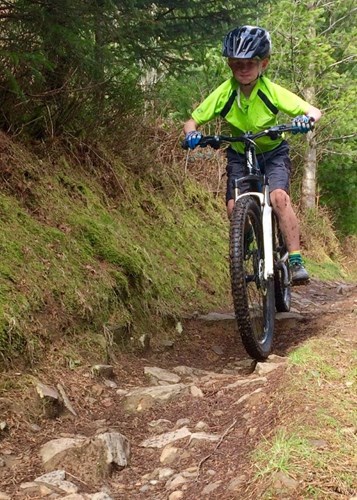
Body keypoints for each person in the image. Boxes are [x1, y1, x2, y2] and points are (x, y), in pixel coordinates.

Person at [183, 25, 322, 284]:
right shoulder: (225, 92)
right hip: (239, 153)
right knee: (234, 208)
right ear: (230, 65)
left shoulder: (271, 91)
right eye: (237, 64)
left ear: (263, 64)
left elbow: (313, 110)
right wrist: (192, 134)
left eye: (250, 63)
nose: (243, 69)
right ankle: (244, 233)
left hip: (272, 153)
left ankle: (295, 259)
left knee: (279, 198)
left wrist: (306, 120)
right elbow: (192, 121)